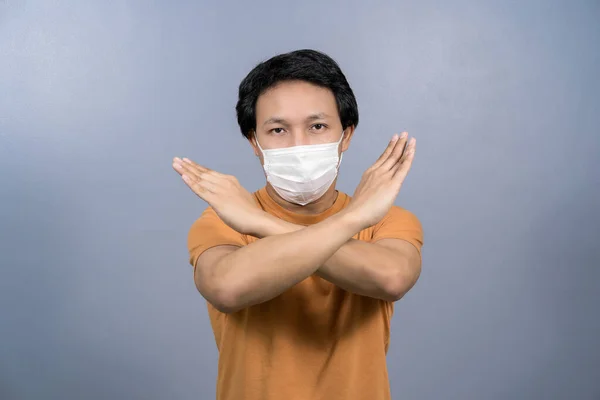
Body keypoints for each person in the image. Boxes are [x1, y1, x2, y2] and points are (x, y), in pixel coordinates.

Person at [172, 49, 423, 400]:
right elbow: (226, 288)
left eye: (317, 126)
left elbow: (391, 278)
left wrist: (260, 223)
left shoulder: (388, 221)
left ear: (346, 135)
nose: (299, 145)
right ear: (255, 143)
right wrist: (354, 218)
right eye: (278, 130)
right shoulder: (222, 220)